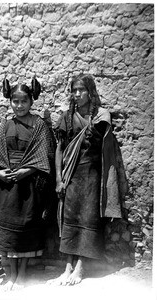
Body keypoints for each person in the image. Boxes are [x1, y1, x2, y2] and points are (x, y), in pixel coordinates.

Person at [0, 76, 56, 290]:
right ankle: (10, 274)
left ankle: (22, 275)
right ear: (9, 101)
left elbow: (45, 156)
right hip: (7, 187)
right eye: (15, 101)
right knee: (8, 233)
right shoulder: (5, 125)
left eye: (23, 102)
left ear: (31, 102)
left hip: (28, 187)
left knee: (25, 228)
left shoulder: (39, 126)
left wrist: (25, 171)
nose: (19, 106)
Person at [48, 74, 127, 286]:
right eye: (74, 90)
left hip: (92, 176)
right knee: (68, 219)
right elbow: (60, 149)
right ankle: (67, 267)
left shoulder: (101, 116)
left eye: (81, 90)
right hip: (70, 175)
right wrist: (58, 178)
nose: (77, 94)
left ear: (90, 92)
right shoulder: (66, 117)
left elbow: (104, 149)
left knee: (88, 219)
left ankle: (80, 268)